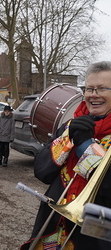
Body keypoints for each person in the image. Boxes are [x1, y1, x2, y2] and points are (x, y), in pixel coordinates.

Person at [21, 61, 111, 249]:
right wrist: (67, 140)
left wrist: (86, 147)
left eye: (102, 89)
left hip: (99, 225)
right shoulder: (71, 126)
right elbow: (42, 172)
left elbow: (107, 189)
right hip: (54, 220)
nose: (93, 95)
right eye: (89, 89)